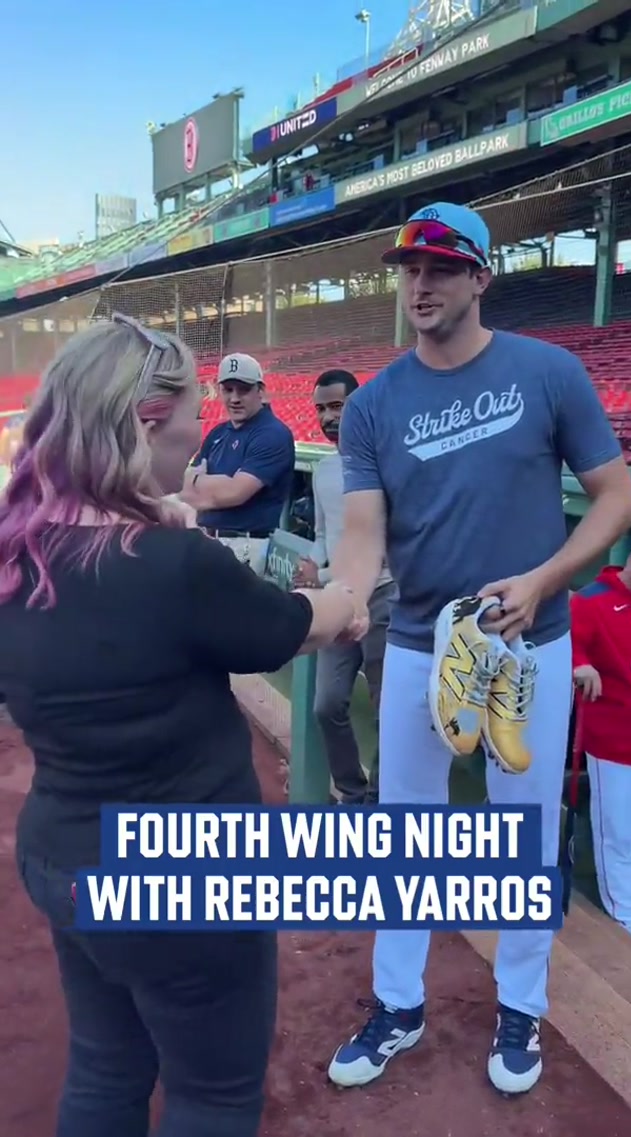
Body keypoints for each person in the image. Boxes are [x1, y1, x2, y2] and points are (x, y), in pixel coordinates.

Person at [0, 313, 356, 1137]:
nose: (197, 438)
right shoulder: (176, 567)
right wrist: (344, 600)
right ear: (145, 421)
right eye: (191, 415)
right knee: (213, 1095)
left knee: (105, 1064)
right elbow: (298, 621)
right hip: (181, 879)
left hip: (62, 856)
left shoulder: (22, 550)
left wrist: (161, 518)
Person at [324, 202, 631, 1096]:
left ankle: (520, 1006)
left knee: (527, 832)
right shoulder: (375, 405)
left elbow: (616, 501)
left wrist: (545, 580)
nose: (418, 284)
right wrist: (345, 597)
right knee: (405, 828)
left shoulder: (549, 372)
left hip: (529, 644)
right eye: (408, 269)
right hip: (424, 644)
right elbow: (361, 532)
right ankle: (398, 1003)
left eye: (439, 268)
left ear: (478, 277)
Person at [293, 369, 395, 805]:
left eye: (337, 405)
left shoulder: (386, 461)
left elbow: (386, 541)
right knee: (327, 704)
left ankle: (378, 799)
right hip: (341, 597)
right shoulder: (323, 469)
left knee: (385, 708)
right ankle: (352, 794)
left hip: (387, 594)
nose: (328, 416)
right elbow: (322, 532)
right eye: (320, 408)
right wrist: (315, 561)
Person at [570, 538, 631, 938]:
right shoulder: (591, 601)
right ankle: (628, 921)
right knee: (620, 832)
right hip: (614, 743)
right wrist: (580, 664)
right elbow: (566, 646)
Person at [181, 352, 295, 575]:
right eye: (228, 389)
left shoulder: (272, 433)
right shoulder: (218, 433)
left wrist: (199, 482)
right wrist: (213, 484)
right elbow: (184, 490)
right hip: (208, 539)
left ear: (260, 391)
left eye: (243, 389)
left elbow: (235, 493)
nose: (234, 398)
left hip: (246, 546)